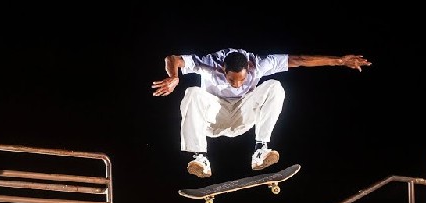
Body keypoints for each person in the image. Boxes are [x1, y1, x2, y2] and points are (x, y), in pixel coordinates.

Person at [152, 49, 371, 178]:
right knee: (191, 92)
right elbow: (173, 58)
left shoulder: (259, 63)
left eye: (242, 79)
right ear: (222, 70)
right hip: (214, 118)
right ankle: (199, 157)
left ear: (249, 68)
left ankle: (260, 150)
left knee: (275, 86)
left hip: (244, 115)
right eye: (231, 80)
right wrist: (174, 77)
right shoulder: (209, 63)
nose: (237, 85)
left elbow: (298, 60)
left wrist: (340, 61)